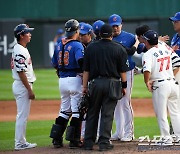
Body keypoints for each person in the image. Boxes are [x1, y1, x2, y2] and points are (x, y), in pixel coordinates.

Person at [82, 24, 129, 151]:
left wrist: (84, 87)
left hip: (95, 83)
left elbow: (86, 70)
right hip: (112, 84)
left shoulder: (91, 48)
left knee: (92, 113)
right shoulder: (118, 48)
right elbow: (123, 71)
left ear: (99, 34)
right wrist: (124, 86)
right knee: (107, 114)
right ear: (112, 35)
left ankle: (88, 143)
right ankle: (103, 143)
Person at [50, 19, 84, 149]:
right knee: (77, 112)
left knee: (64, 111)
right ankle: (74, 141)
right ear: (77, 31)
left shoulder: (59, 44)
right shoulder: (77, 45)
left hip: (62, 80)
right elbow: (81, 61)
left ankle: (56, 139)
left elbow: (54, 63)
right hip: (74, 78)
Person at [142, 30, 180, 145]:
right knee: (175, 112)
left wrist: (147, 82)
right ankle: (178, 136)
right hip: (173, 84)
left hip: (160, 86)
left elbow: (147, 70)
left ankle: (166, 138)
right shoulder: (166, 49)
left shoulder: (147, 54)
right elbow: (178, 61)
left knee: (161, 113)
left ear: (147, 42)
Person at [109, 14, 136, 142]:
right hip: (113, 74)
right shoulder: (107, 37)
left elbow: (142, 48)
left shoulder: (129, 37)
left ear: (121, 24)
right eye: (113, 26)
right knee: (116, 103)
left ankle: (129, 132)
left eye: (117, 25)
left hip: (127, 72)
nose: (115, 28)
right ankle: (119, 132)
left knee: (125, 102)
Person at [11, 24, 37, 150]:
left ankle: (21, 141)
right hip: (22, 85)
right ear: (21, 35)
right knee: (22, 116)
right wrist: (29, 89)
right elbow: (21, 72)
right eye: (27, 33)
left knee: (22, 115)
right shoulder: (20, 50)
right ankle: (20, 143)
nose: (29, 34)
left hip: (20, 85)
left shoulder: (19, 48)